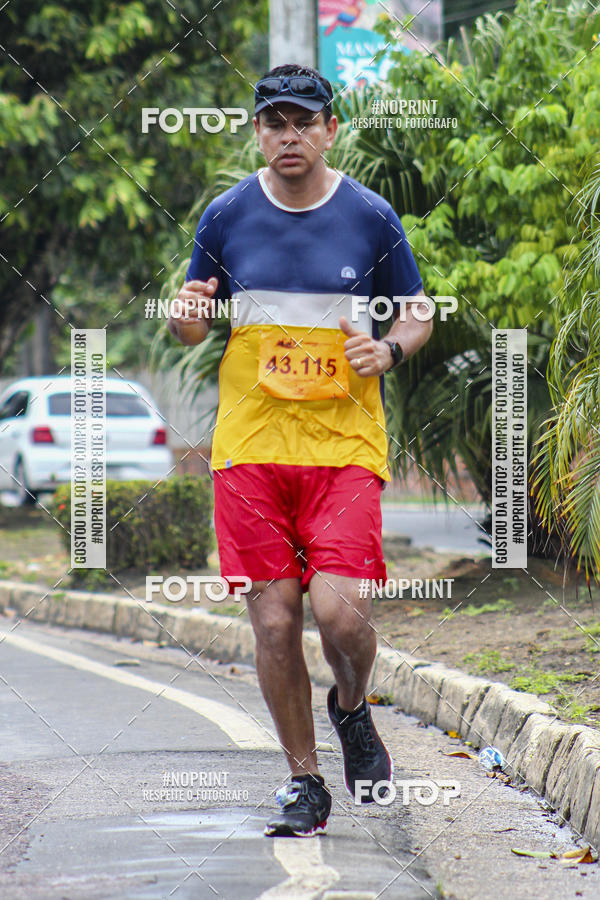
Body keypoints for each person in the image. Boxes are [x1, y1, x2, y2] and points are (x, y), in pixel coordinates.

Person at [168, 63, 433, 837]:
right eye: (273, 122)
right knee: (277, 623)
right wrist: (185, 314)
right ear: (258, 132)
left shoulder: (370, 216)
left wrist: (391, 349)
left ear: (328, 130)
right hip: (249, 449)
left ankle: (351, 709)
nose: (288, 135)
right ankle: (304, 780)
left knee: (342, 617)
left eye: (302, 121)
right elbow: (193, 323)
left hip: (344, 445)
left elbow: (417, 312)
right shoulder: (224, 216)